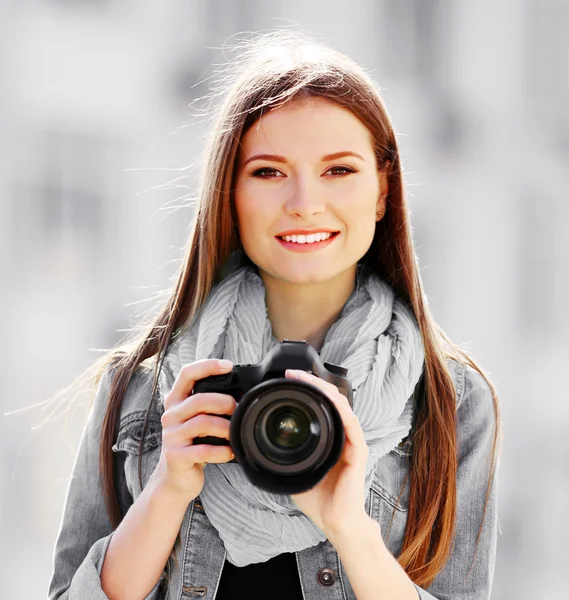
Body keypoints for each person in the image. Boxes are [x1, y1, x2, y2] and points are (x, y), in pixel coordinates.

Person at [48, 30, 501, 600]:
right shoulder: (141, 387)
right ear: (229, 193)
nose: (304, 201)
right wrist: (167, 489)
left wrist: (350, 528)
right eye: (268, 172)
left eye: (339, 170)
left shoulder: (449, 400)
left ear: (383, 189)